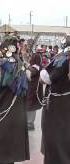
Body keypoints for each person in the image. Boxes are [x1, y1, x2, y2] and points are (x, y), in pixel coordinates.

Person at [0, 37, 30, 164]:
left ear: (3, 50)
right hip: (17, 115)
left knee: (2, 153)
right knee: (10, 153)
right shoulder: (22, 66)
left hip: (1, 113)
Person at [39, 36, 70, 164]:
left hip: (59, 104)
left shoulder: (63, 59)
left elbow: (47, 78)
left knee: (56, 134)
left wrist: (41, 75)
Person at [25, 52, 42, 130]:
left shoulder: (36, 67)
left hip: (33, 88)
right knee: (29, 104)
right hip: (31, 87)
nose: (31, 58)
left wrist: (27, 65)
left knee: (31, 105)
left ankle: (30, 123)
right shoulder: (35, 66)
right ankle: (28, 122)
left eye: (32, 58)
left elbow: (31, 73)